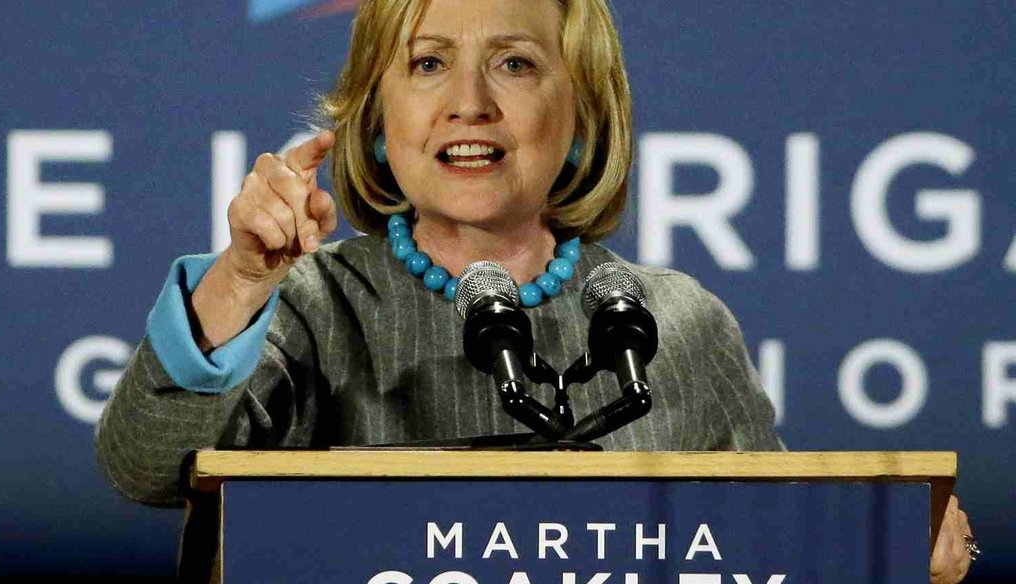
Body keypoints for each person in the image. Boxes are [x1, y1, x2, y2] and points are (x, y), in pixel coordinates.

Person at [93, 0, 974, 582]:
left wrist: (893, 556)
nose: (468, 102)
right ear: (376, 111)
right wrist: (243, 277)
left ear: (583, 110)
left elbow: (768, 559)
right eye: (428, 63)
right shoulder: (309, 307)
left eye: (514, 65)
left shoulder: (676, 323)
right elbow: (143, 467)